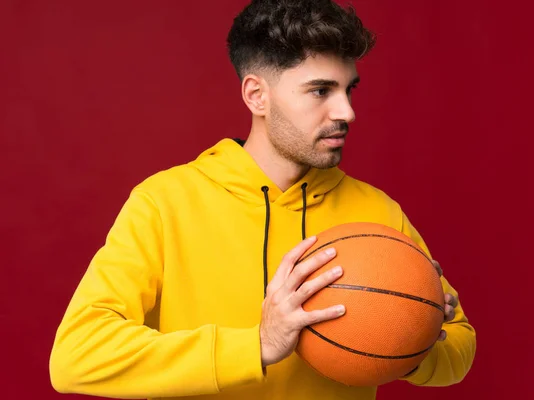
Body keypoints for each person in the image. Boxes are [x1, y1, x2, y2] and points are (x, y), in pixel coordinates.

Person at [49, 0, 476, 399]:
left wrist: (410, 338)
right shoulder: (164, 202)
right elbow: (76, 356)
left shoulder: (379, 212)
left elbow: (460, 345)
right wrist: (257, 344)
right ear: (257, 95)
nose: (347, 112)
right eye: (320, 91)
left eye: (350, 90)